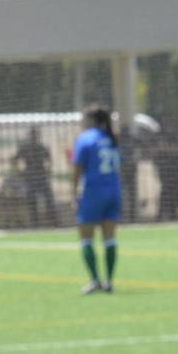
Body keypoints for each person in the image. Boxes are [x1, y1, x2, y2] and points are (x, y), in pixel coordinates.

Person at [72, 107, 123, 293]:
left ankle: (94, 280)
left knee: (86, 236)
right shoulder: (112, 138)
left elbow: (77, 167)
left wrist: (74, 190)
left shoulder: (86, 139)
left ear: (91, 119)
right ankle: (109, 281)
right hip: (114, 190)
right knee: (109, 238)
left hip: (93, 191)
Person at [11, 130, 56, 227]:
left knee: (48, 199)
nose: (34, 137)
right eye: (33, 135)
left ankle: (53, 222)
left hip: (41, 176)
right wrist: (20, 172)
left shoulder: (41, 147)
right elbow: (15, 160)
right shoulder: (26, 148)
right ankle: (35, 223)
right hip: (31, 177)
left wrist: (48, 170)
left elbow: (49, 159)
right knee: (32, 201)